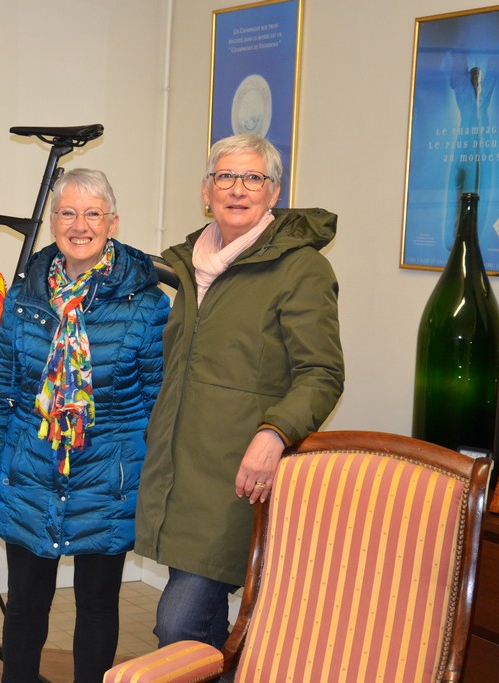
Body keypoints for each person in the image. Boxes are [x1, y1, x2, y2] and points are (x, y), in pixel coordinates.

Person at [134, 134, 345, 650]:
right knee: (201, 629)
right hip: (178, 471)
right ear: (206, 191)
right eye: (226, 176)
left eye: (253, 178)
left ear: (273, 193)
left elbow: (322, 373)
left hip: (239, 478)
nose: (238, 189)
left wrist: (274, 435)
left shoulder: (302, 268)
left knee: (179, 623)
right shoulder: (190, 266)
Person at [0, 168, 170, 682]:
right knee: (25, 608)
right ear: (53, 222)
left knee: (97, 606)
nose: (81, 225)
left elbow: (159, 406)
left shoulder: (147, 304)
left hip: (108, 484)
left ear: (113, 223)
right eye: (68, 213)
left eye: (93, 213)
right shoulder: (23, 297)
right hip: (30, 476)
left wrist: (152, 487)